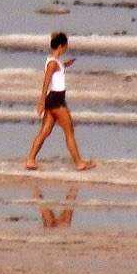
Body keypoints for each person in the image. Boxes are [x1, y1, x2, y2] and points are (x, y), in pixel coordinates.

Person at [25, 31, 94, 171]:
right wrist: (41, 102)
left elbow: (56, 70)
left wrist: (65, 65)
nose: (67, 47)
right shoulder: (52, 63)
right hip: (56, 100)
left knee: (45, 131)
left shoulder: (54, 61)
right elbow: (46, 82)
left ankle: (30, 160)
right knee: (69, 131)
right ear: (62, 45)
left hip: (54, 99)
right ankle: (79, 163)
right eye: (66, 45)